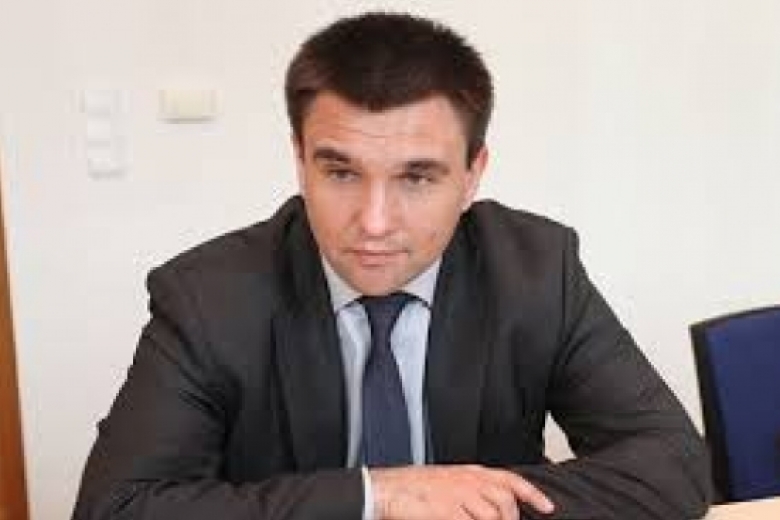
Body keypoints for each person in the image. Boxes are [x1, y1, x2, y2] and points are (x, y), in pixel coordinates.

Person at [72, 12, 712, 520]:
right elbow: (116, 507)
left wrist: (469, 505)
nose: (375, 222)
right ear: (300, 161)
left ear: (473, 176)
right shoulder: (208, 297)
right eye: (341, 172)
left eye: (417, 177)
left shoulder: (537, 271)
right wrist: (378, 497)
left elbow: (673, 464)